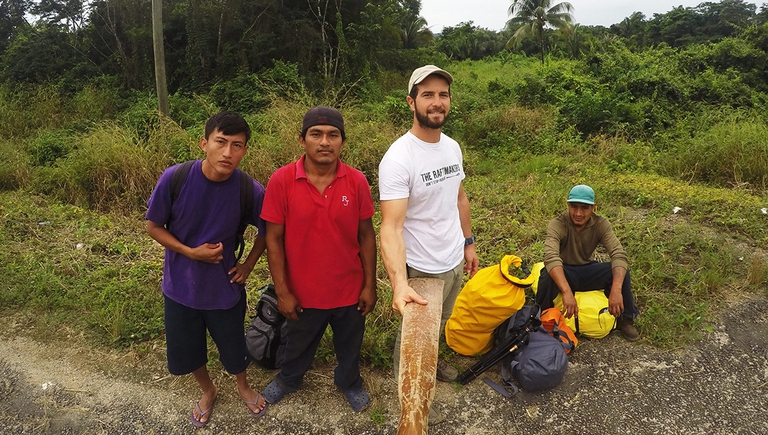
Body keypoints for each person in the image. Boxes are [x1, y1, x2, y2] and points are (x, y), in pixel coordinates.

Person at [145, 111, 269, 427]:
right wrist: (190, 252)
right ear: (204, 143)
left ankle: (243, 386)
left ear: (244, 150)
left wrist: (248, 265)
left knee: (233, 347)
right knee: (189, 350)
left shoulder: (248, 189)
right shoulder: (176, 178)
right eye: (221, 142)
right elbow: (153, 226)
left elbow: (269, 230)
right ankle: (208, 389)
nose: (228, 153)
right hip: (180, 287)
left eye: (237, 145)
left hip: (224, 289)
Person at [379, 65, 479, 422]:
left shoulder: (452, 147)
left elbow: (460, 198)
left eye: (443, 95)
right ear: (411, 102)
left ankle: (431, 370)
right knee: (413, 338)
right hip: (420, 266)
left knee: (439, 325)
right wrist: (399, 283)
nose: (437, 102)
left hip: (453, 258)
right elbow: (390, 228)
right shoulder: (399, 158)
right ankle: (410, 396)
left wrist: (468, 243)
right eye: (428, 95)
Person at [260, 106, 377, 412]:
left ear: (342, 142)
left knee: (349, 345)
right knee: (298, 343)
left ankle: (349, 382)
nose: (325, 141)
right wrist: (283, 291)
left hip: (348, 289)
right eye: (316, 134)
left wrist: (369, 285)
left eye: (333, 135)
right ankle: (289, 378)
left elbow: (366, 235)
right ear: (302, 140)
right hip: (302, 292)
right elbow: (273, 239)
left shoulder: (356, 181)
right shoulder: (282, 180)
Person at [535, 184, 640, 341]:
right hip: (565, 271)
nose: (578, 213)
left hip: (586, 269)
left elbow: (618, 254)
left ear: (593, 208)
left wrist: (616, 289)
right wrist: (566, 292)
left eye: (584, 208)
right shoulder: (558, 224)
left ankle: (625, 319)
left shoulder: (601, 224)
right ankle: (541, 319)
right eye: (574, 207)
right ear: (568, 205)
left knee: (621, 272)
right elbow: (551, 257)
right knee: (546, 276)